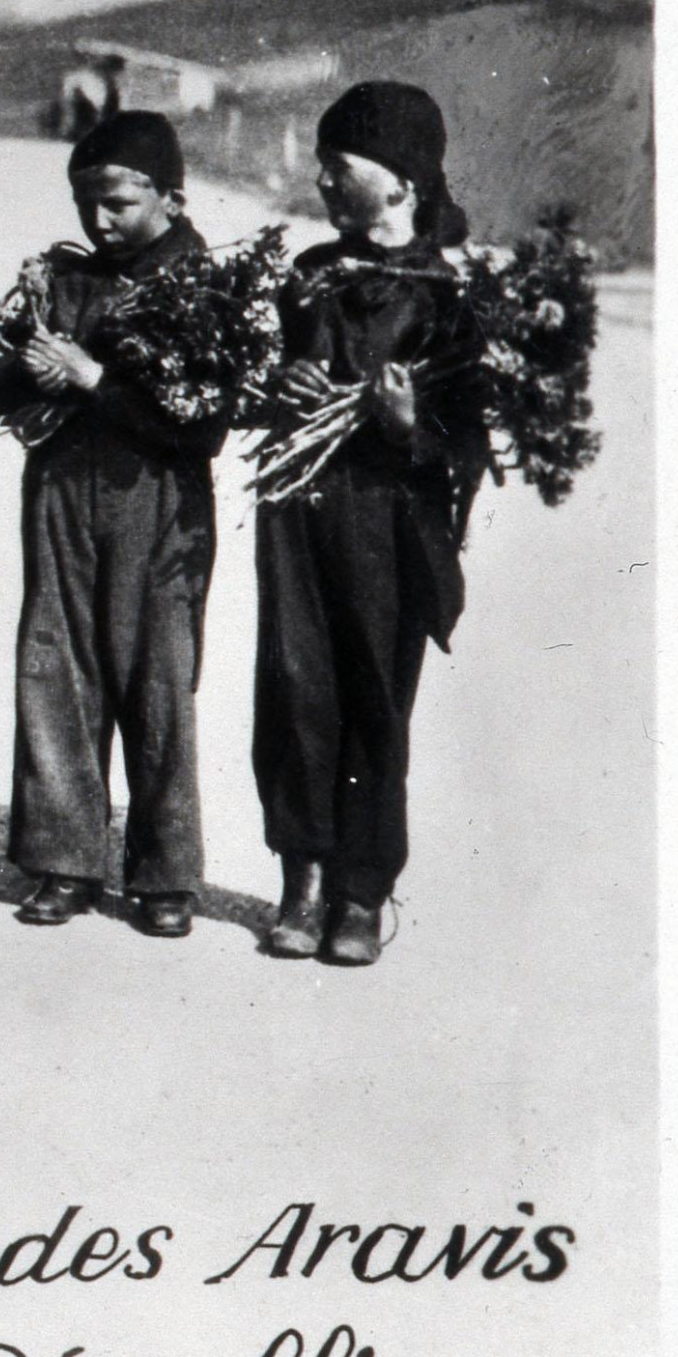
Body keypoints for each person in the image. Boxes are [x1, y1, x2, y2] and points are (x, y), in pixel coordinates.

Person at [252, 82, 480, 968]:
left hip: (392, 524)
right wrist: (284, 385)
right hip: (300, 511)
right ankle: (302, 879)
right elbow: (264, 381)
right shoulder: (312, 274)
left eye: (337, 166)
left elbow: (467, 442)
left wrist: (406, 426)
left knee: (376, 697)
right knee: (295, 686)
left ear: (401, 182)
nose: (320, 181)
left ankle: (361, 892)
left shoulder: (448, 297)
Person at [0, 112, 222, 938]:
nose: (99, 220)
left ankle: (166, 873)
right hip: (60, 491)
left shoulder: (201, 284)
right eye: (86, 203)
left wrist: (91, 379)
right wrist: (18, 368)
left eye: (118, 203)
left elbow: (203, 426)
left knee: (157, 675)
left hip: (157, 500)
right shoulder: (63, 276)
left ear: (172, 199)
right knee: (56, 664)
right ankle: (65, 860)